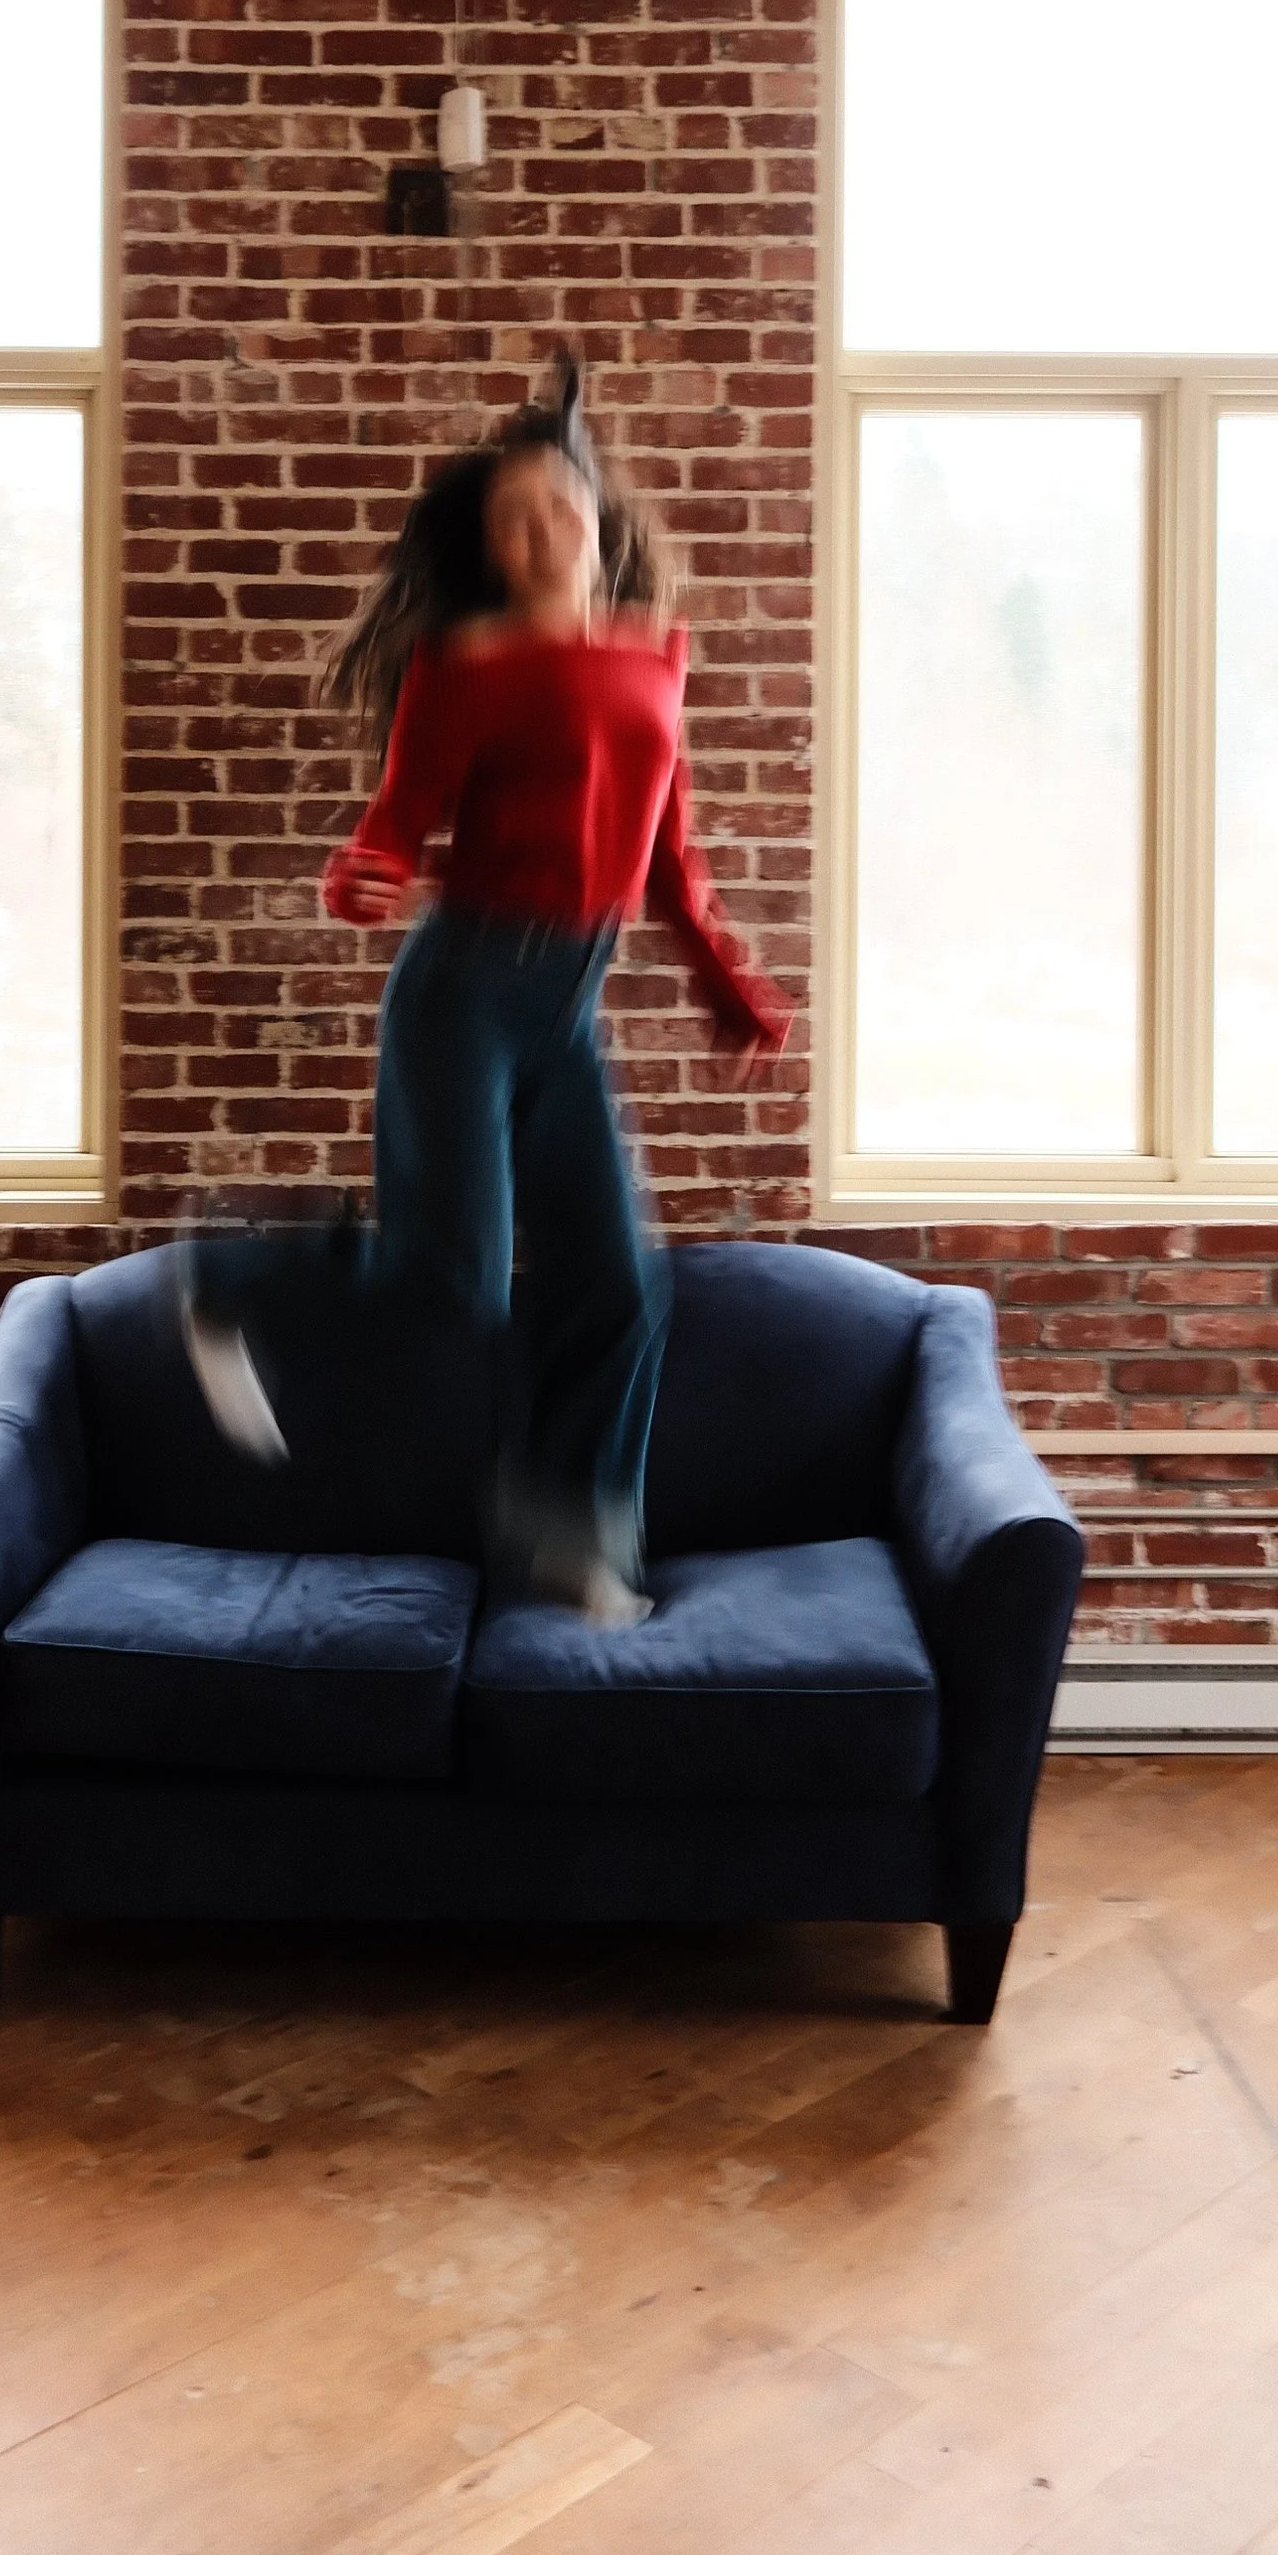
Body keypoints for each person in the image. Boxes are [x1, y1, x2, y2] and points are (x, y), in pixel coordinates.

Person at [177, 355, 790, 1621]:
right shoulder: (461, 670)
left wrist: (728, 988)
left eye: (559, 503)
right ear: (493, 547)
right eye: (512, 516)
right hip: (463, 991)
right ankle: (235, 1282)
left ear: (597, 519)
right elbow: (395, 824)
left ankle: (572, 1531)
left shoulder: (655, 661)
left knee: (621, 1292)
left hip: (568, 1007)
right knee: (450, 1283)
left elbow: (673, 859)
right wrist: (362, 874)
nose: (541, 528)